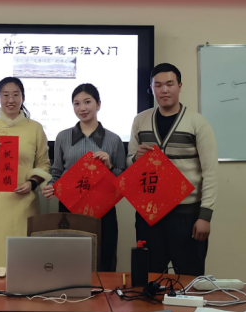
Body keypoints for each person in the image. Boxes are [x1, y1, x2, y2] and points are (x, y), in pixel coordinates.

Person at [127, 63, 218, 276]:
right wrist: (135, 158)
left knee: (189, 277)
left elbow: (210, 172)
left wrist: (205, 216)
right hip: (149, 213)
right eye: (158, 85)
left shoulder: (197, 123)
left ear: (180, 86)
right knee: (149, 276)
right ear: (151, 88)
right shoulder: (140, 120)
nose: (164, 90)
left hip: (186, 213)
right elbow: (129, 163)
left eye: (170, 84)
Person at [42, 83, 125, 272]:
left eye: (87, 102)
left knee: (104, 258)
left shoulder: (114, 140)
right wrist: (51, 185)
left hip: (103, 209)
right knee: (69, 258)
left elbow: (122, 180)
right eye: (76, 103)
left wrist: (110, 167)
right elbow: (57, 171)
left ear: (98, 104)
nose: (82, 108)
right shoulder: (63, 137)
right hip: (70, 206)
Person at [0, 77, 51, 272]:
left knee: (24, 258)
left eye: (16, 95)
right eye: (5, 95)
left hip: (25, 202)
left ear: (23, 98)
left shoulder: (35, 128)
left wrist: (32, 183)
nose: (11, 100)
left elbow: (44, 163)